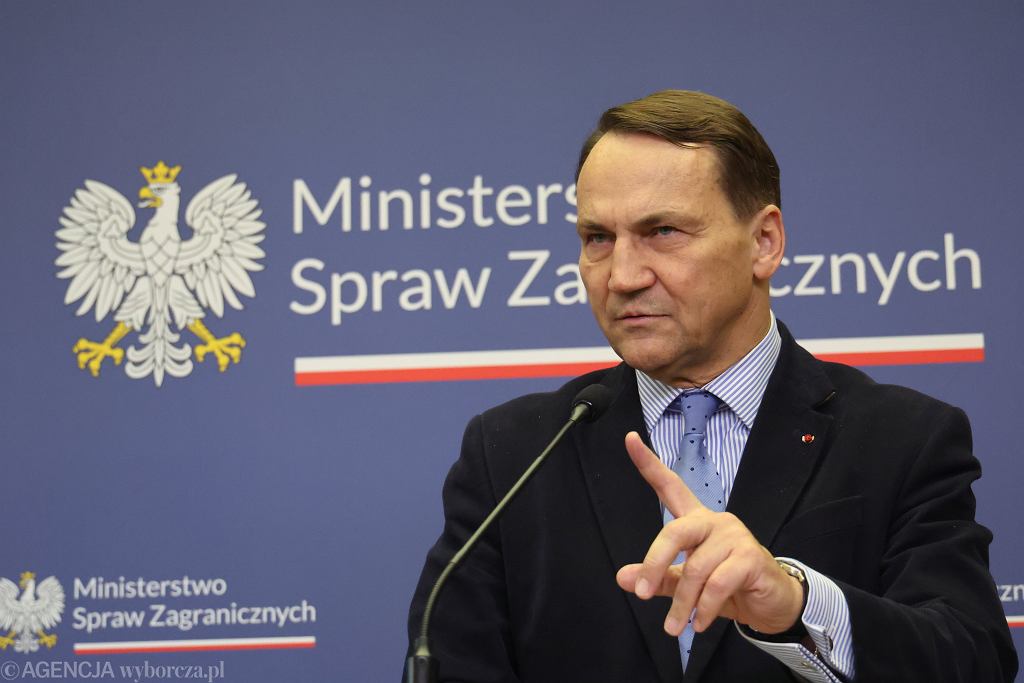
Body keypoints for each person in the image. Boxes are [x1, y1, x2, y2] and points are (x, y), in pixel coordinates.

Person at [406, 90, 1017, 682]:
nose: (622, 276)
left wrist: (797, 604)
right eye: (598, 239)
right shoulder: (512, 454)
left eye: (663, 231)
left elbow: (972, 661)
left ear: (764, 243)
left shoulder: (904, 439)